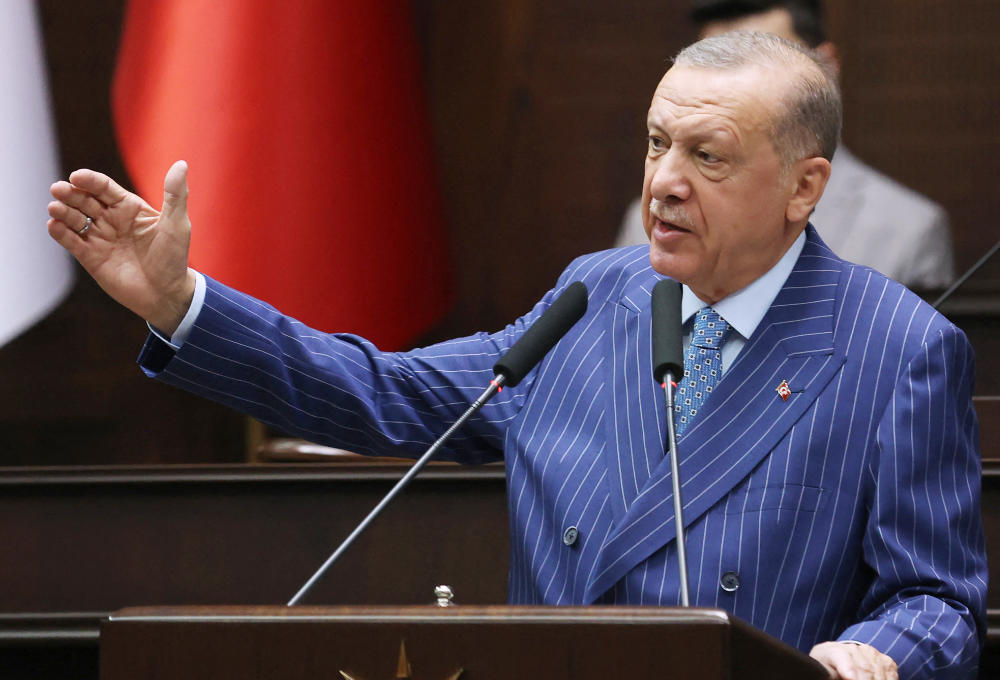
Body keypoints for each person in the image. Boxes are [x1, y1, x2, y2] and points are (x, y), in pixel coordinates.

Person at [48, 32, 984, 680]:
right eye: (656, 143)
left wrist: (879, 652)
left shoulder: (896, 349)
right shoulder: (594, 295)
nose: (662, 182)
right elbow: (389, 394)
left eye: (708, 156)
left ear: (802, 186)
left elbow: (937, 597)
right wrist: (180, 303)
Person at [615, 0, 956, 291]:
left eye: (761, 61)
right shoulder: (646, 221)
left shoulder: (908, 229)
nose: (664, 185)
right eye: (715, 61)